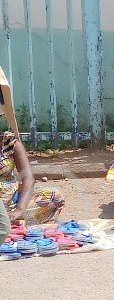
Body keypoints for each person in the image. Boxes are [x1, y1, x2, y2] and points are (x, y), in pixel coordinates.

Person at [0, 65, 64, 232]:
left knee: (53, 196)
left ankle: (12, 221)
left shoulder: (10, 142)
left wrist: (19, 210)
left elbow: (28, 178)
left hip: (9, 203)